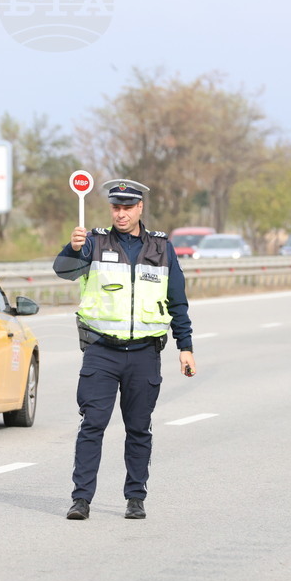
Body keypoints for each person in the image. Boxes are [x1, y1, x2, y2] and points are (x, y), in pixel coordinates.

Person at [53, 178, 196, 520]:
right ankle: (81, 499)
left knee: (139, 428)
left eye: (127, 207)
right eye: (116, 207)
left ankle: (135, 497)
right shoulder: (94, 243)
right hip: (102, 351)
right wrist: (72, 248)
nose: (121, 214)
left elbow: (177, 301)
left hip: (145, 354)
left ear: (140, 208)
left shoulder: (162, 248)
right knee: (93, 425)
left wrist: (185, 347)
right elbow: (64, 272)